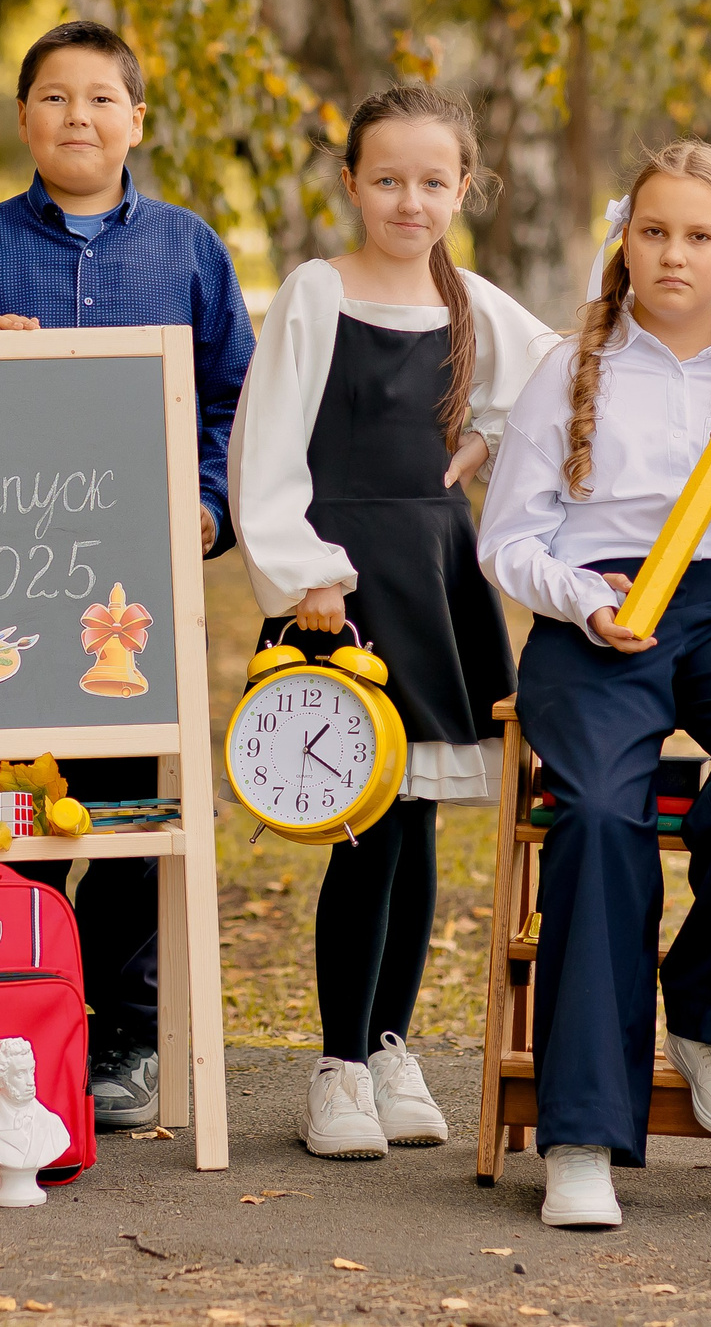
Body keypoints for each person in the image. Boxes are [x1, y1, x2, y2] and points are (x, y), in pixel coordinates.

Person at [478, 140, 711, 1231]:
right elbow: (506, 540)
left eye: (697, 236)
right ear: (622, 244)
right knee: (590, 807)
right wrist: (583, 598)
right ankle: (581, 1133)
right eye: (652, 232)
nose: (672, 255)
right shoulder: (567, 369)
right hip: (599, 609)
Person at [0, 19, 255, 1129]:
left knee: (125, 804)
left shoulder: (191, 251)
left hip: (131, 589)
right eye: (54, 98)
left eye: (101, 98)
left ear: (136, 122)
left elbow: (228, 400)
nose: (78, 117)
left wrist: (208, 505)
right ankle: (5, 1015)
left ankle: (122, 1033)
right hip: (0, 583)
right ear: (23, 119)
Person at [228, 84, 555, 1160]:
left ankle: (387, 1045)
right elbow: (265, 440)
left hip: (436, 576)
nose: (408, 201)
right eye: (386, 180)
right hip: (345, 588)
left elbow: (561, 383)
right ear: (350, 183)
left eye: (431, 181)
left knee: (413, 827)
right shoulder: (318, 294)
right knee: (360, 825)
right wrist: (304, 570)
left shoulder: (473, 304)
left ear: (464, 187)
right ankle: (334, 1065)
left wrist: (495, 443)